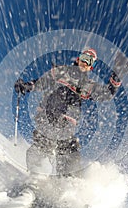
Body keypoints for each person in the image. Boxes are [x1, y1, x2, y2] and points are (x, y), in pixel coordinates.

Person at [14, 48, 121, 178]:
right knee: (43, 144)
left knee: (70, 153)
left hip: (67, 125)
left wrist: (117, 73)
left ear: (91, 67)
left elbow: (107, 94)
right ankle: (35, 180)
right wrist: (26, 86)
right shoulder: (61, 72)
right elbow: (42, 82)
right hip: (48, 117)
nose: (85, 63)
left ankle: (66, 185)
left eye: (89, 61)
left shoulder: (88, 85)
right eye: (84, 58)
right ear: (78, 59)